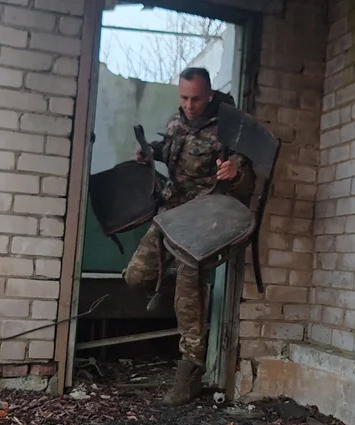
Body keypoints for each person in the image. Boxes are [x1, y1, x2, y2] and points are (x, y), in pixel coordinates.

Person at [122, 67, 256, 406]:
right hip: (171, 214)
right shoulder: (176, 120)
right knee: (137, 276)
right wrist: (150, 151)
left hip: (202, 217)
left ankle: (189, 374)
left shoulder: (228, 129)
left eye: (196, 98)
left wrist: (235, 172)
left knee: (187, 282)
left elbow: (247, 182)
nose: (190, 104)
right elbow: (172, 150)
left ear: (209, 94)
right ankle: (190, 301)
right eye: (184, 97)